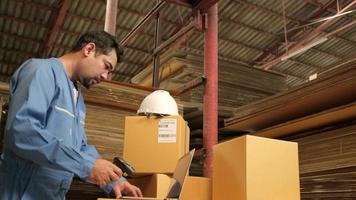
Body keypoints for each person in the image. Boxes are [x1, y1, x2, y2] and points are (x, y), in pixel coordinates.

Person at [0, 31, 143, 199]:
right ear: (89, 49)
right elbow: (23, 132)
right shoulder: (41, 71)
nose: (106, 76)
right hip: (21, 192)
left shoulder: (77, 98)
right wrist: (86, 165)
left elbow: (80, 147)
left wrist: (114, 181)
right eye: (106, 66)